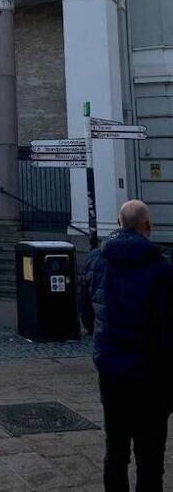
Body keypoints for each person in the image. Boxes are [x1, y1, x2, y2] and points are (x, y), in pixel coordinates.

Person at [80, 200, 173, 492]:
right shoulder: (161, 268)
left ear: (119, 223)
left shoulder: (95, 261)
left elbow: (87, 314)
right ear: (147, 226)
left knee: (116, 450)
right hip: (151, 374)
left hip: (111, 370)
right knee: (150, 456)